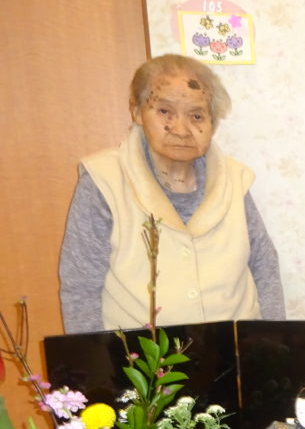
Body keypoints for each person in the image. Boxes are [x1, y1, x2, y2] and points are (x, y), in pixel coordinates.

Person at [59, 54, 285, 333]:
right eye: (165, 111)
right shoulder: (104, 181)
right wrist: (91, 360)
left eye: (197, 116)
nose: (181, 130)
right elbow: (81, 286)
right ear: (137, 111)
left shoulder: (235, 179)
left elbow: (264, 266)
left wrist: (274, 343)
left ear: (213, 124)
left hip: (234, 348)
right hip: (143, 357)